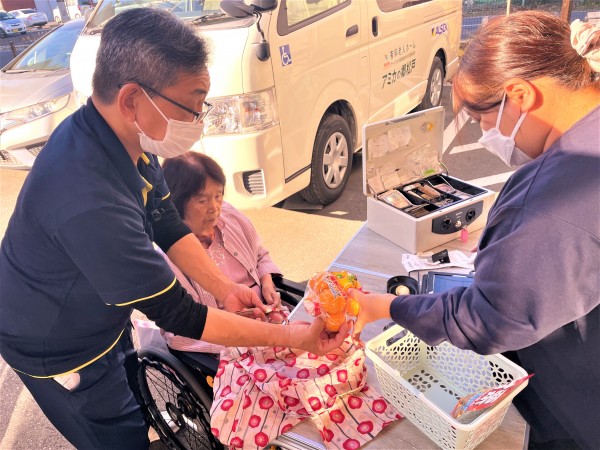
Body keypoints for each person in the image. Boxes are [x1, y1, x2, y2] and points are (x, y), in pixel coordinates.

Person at [0, 8, 349, 450]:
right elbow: (181, 315)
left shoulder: (122, 136)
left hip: (99, 311)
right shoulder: (89, 199)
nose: (199, 120)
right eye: (192, 106)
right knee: (115, 435)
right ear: (132, 99)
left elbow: (166, 222)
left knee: (130, 393)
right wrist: (293, 336)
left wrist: (224, 288)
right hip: (58, 342)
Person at [350, 11, 599, 450]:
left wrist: (385, 306)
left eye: (482, 119)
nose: (485, 135)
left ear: (520, 95)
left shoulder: (554, 196)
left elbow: (488, 319)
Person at [159, 152, 287, 354]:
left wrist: (267, 283)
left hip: (268, 317)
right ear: (177, 203)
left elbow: (260, 254)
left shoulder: (230, 217)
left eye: (218, 196)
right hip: (227, 341)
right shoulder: (169, 259)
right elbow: (180, 334)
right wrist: (239, 337)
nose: (215, 208)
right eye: (202, 200)